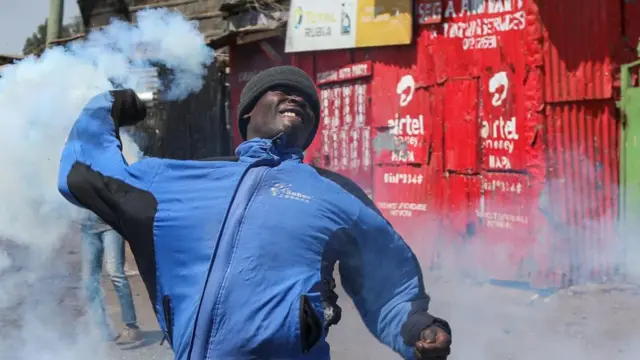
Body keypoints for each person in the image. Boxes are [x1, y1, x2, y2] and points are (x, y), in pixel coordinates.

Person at [57, 66, 452, 360]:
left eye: (308, 102)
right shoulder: (173, 179)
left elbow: (387, 274)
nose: (297, 98)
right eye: (280, 91)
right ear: (247, 115)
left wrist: (415, 328)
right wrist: (107, 107)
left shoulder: (334, 191)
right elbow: (84, 176)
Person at [81, 211, 142, 344]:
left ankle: (131, 327)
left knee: (115, 273)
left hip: (111, 226)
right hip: (87, 228)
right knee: (89, 280)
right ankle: (101, 329)